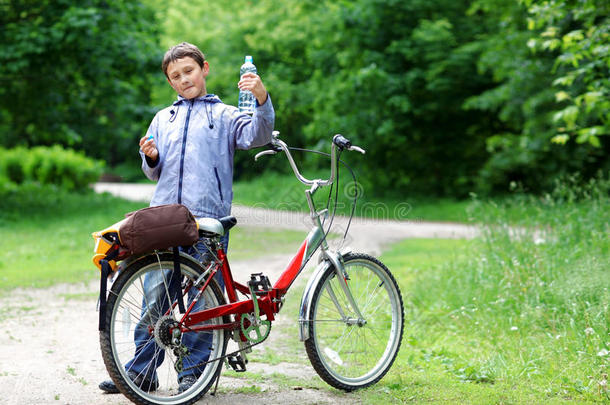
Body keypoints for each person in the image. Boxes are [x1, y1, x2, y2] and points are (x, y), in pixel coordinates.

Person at [99, 42, 275, 394]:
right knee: (154, 295)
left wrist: (261, 99)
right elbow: (153, 172)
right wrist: (149, 157)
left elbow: (259, 135)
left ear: (204, 68)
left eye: (189, 71)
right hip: (163, 220)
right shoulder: (163, 118)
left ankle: (193, 374)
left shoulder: (226, 115)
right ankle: (141, 371)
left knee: (203, 299)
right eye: (175, 76)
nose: (183, 80)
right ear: (170, 82)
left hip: (207, 222)